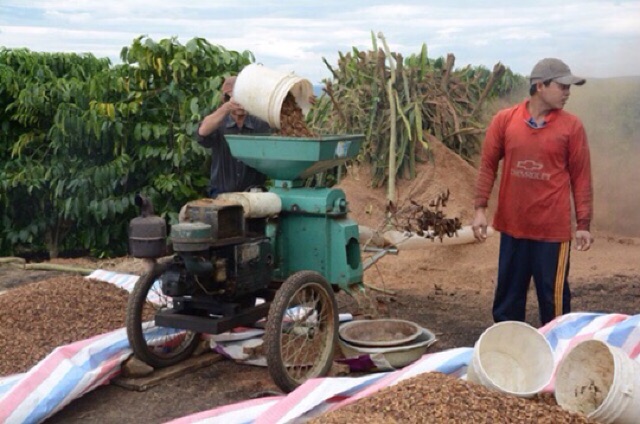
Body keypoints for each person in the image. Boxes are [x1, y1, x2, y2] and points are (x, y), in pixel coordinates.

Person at [472, 58, 594, 326]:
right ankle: (508, 356)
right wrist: (480, 209)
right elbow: (487, 166)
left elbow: (581, 177)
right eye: (562, 86)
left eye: (568, 87)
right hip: (513, 228)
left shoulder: (571, 127)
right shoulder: (505, 121)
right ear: (540, 86)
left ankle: (557, 356)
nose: (567, 92)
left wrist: (583, 223)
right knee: (507, 304)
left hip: (552, 233)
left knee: (555, 305)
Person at [197, 76, 271, 197]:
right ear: (226, 99)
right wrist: (226, 108)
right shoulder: (218, 122)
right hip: (221, 193)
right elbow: (202, 132)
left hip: (254, 195)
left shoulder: (260, 124)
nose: (240, 104)